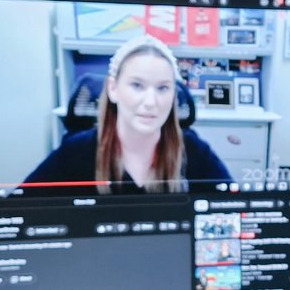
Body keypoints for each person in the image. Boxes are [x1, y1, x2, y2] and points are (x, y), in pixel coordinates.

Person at [22, 34, 231, 193]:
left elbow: (233, 208)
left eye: (163, 88)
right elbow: (21, 211)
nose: (151, 102)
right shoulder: (76, 152)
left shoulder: (194, 151)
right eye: (137, 85)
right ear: (113, 89)